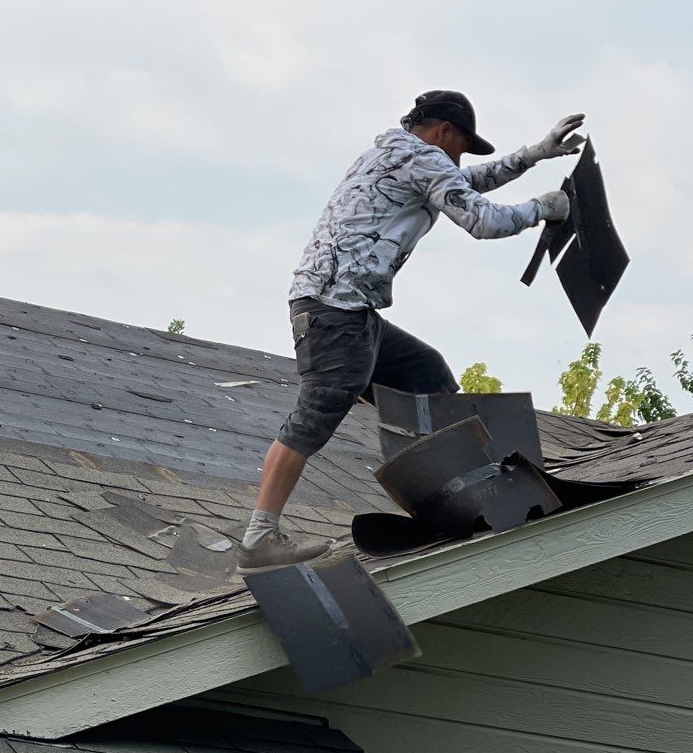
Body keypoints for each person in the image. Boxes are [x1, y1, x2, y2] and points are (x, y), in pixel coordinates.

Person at [236, 90, 584, 573]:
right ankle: (259, 537)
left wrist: (535, 154)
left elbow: (467, 182)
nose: (460, 159)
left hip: (346, 309)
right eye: (462, 147)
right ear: (444, 131)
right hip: (335, 311)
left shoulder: (395, 156)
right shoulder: (421, 158)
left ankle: (457, 491)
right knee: (316, 413)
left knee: (425, 372)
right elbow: (481, 219)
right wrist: (542, 208)